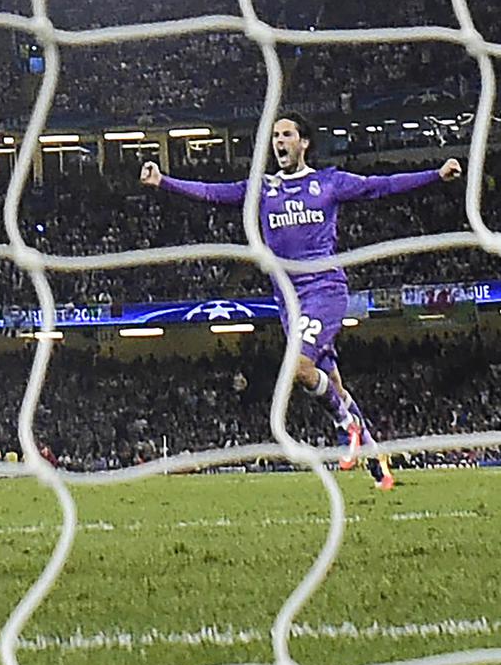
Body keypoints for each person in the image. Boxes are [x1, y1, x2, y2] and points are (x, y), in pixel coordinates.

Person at [141, 111, 462, 490]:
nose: (279, 141)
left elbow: (383, 185)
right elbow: (214, 193)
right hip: (288, 301)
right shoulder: (263, 188)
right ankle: (379, 466)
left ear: (304, 142)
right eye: (276, 135)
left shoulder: (328, 183)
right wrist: (164, 181)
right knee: (334, 387)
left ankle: (347, 427)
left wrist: (435, 175)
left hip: (324, 290)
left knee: (299, 368)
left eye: (287, 134)